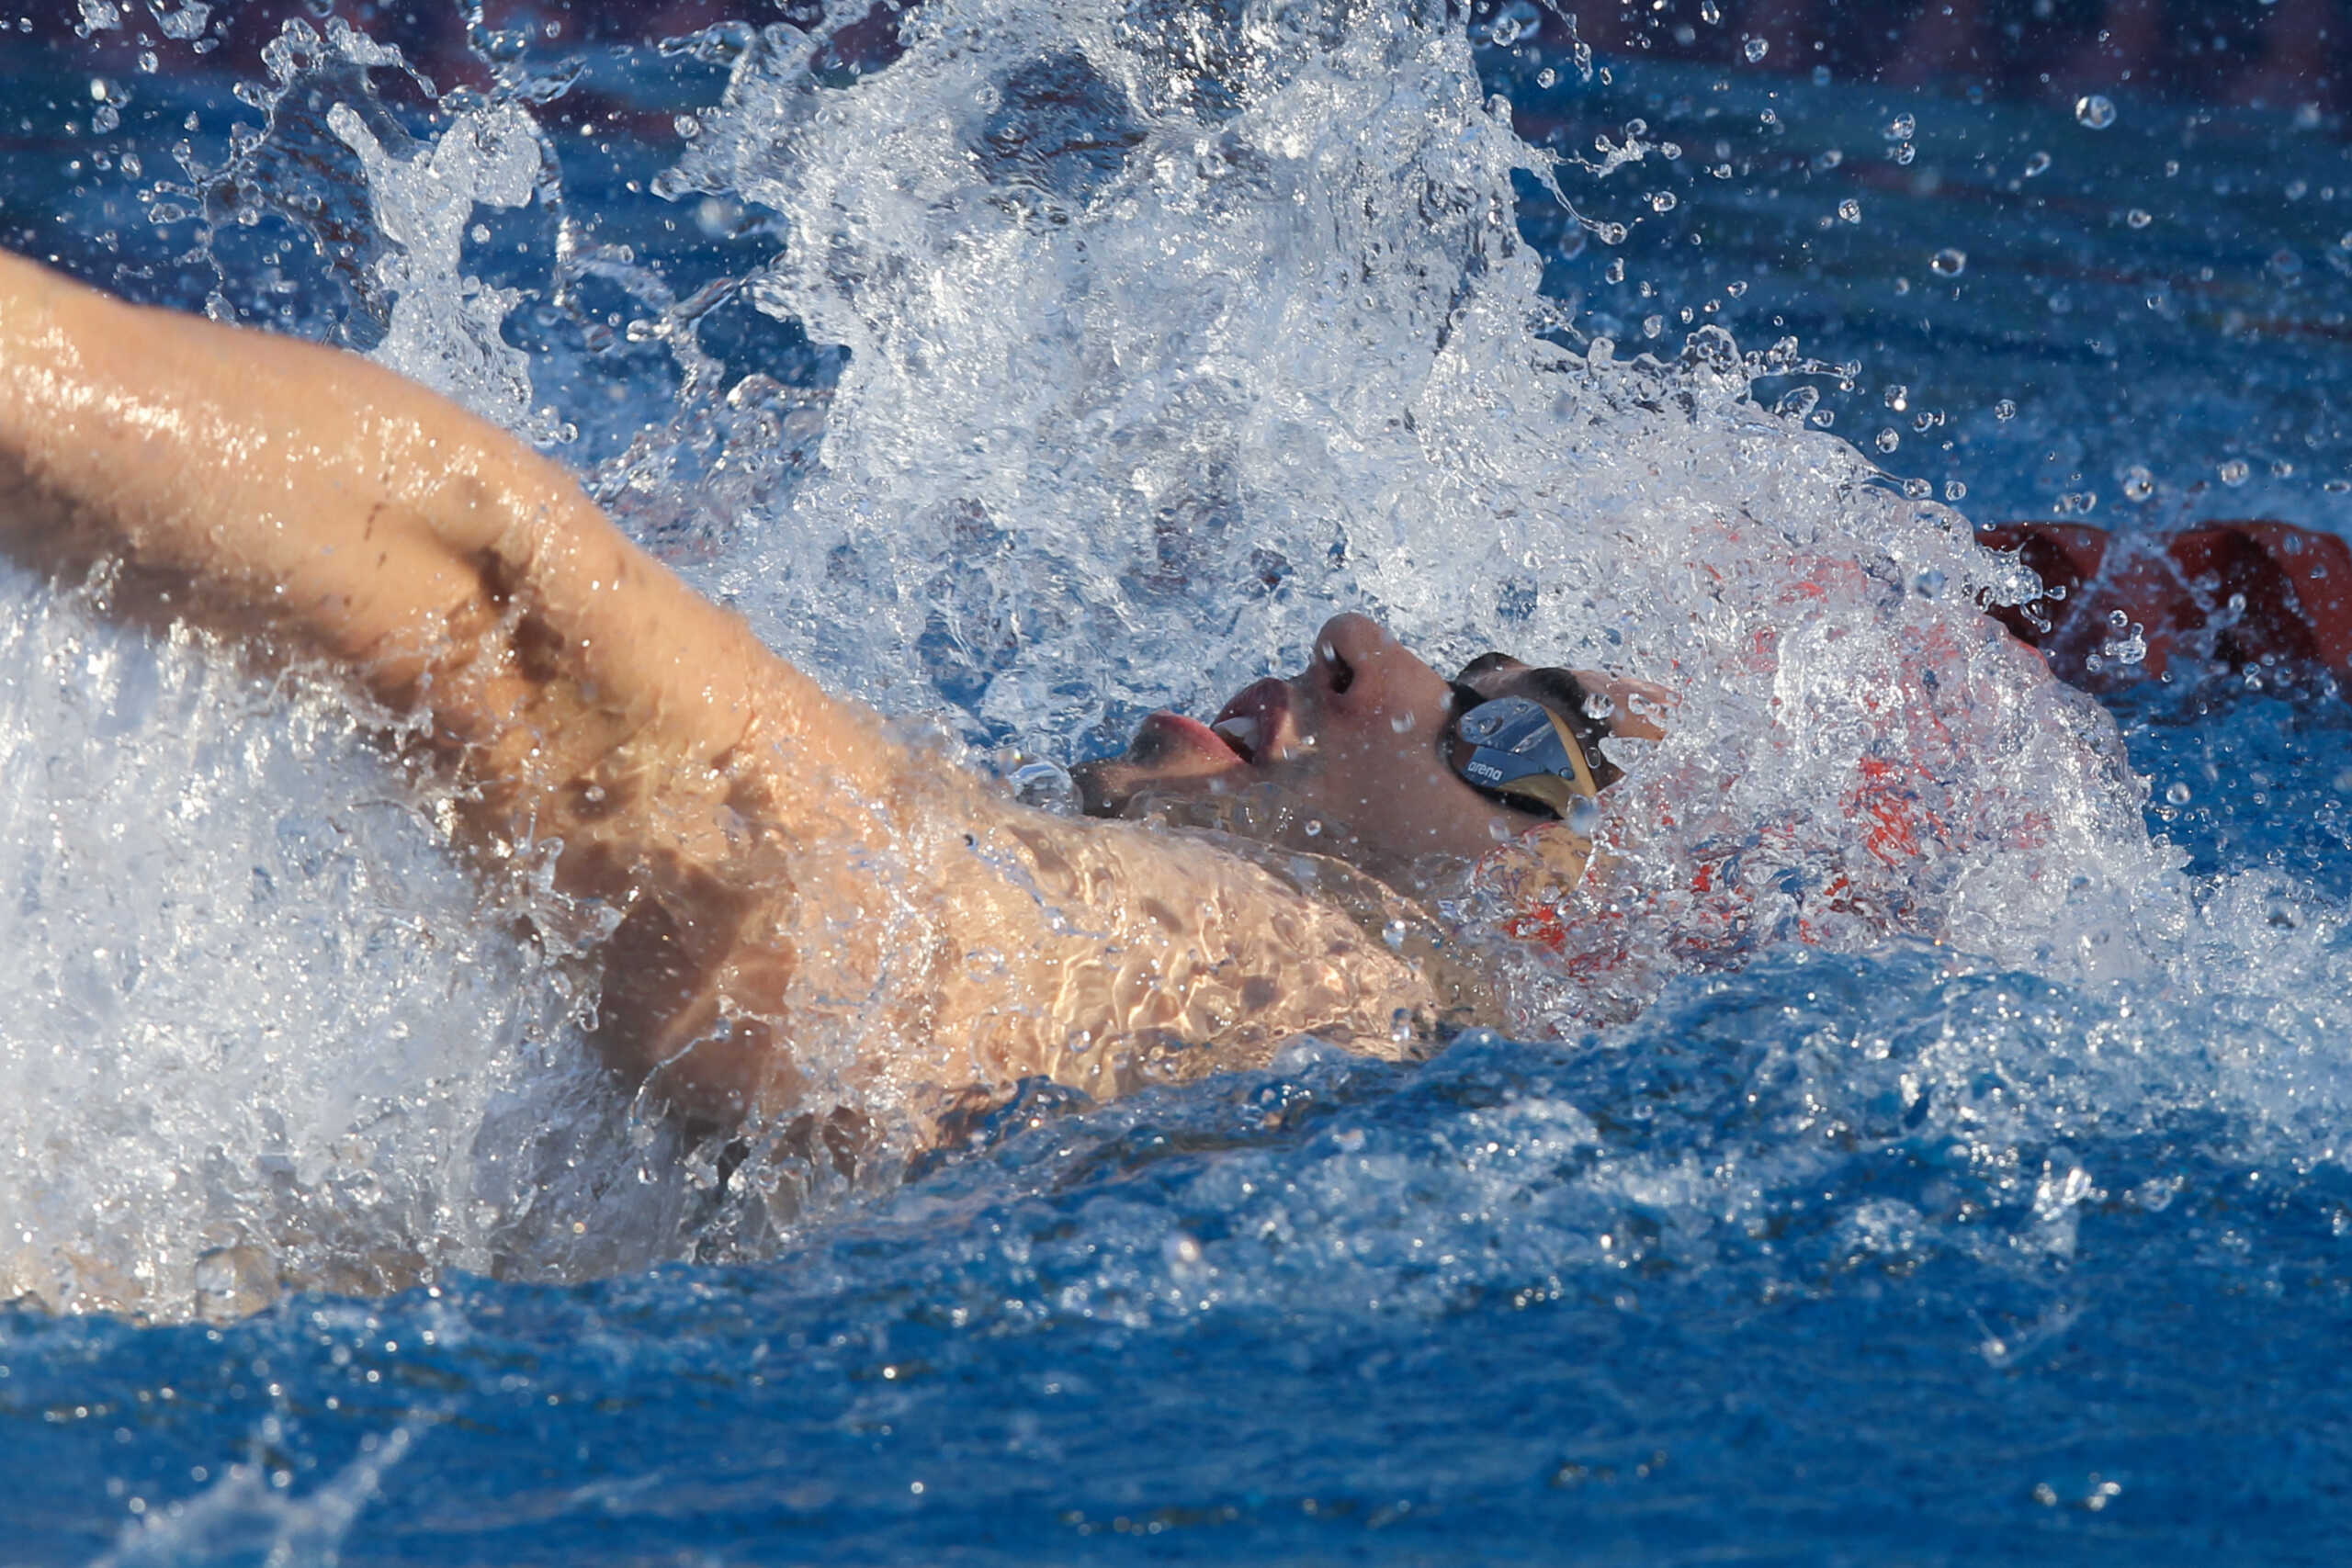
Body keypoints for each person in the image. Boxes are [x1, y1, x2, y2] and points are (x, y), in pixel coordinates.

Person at [0, 250, 1668, 1141]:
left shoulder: (1355, 988)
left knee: (472, 566)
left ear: (1551, 929)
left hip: (882, 960)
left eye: (1503, 739)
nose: (1366, 645)